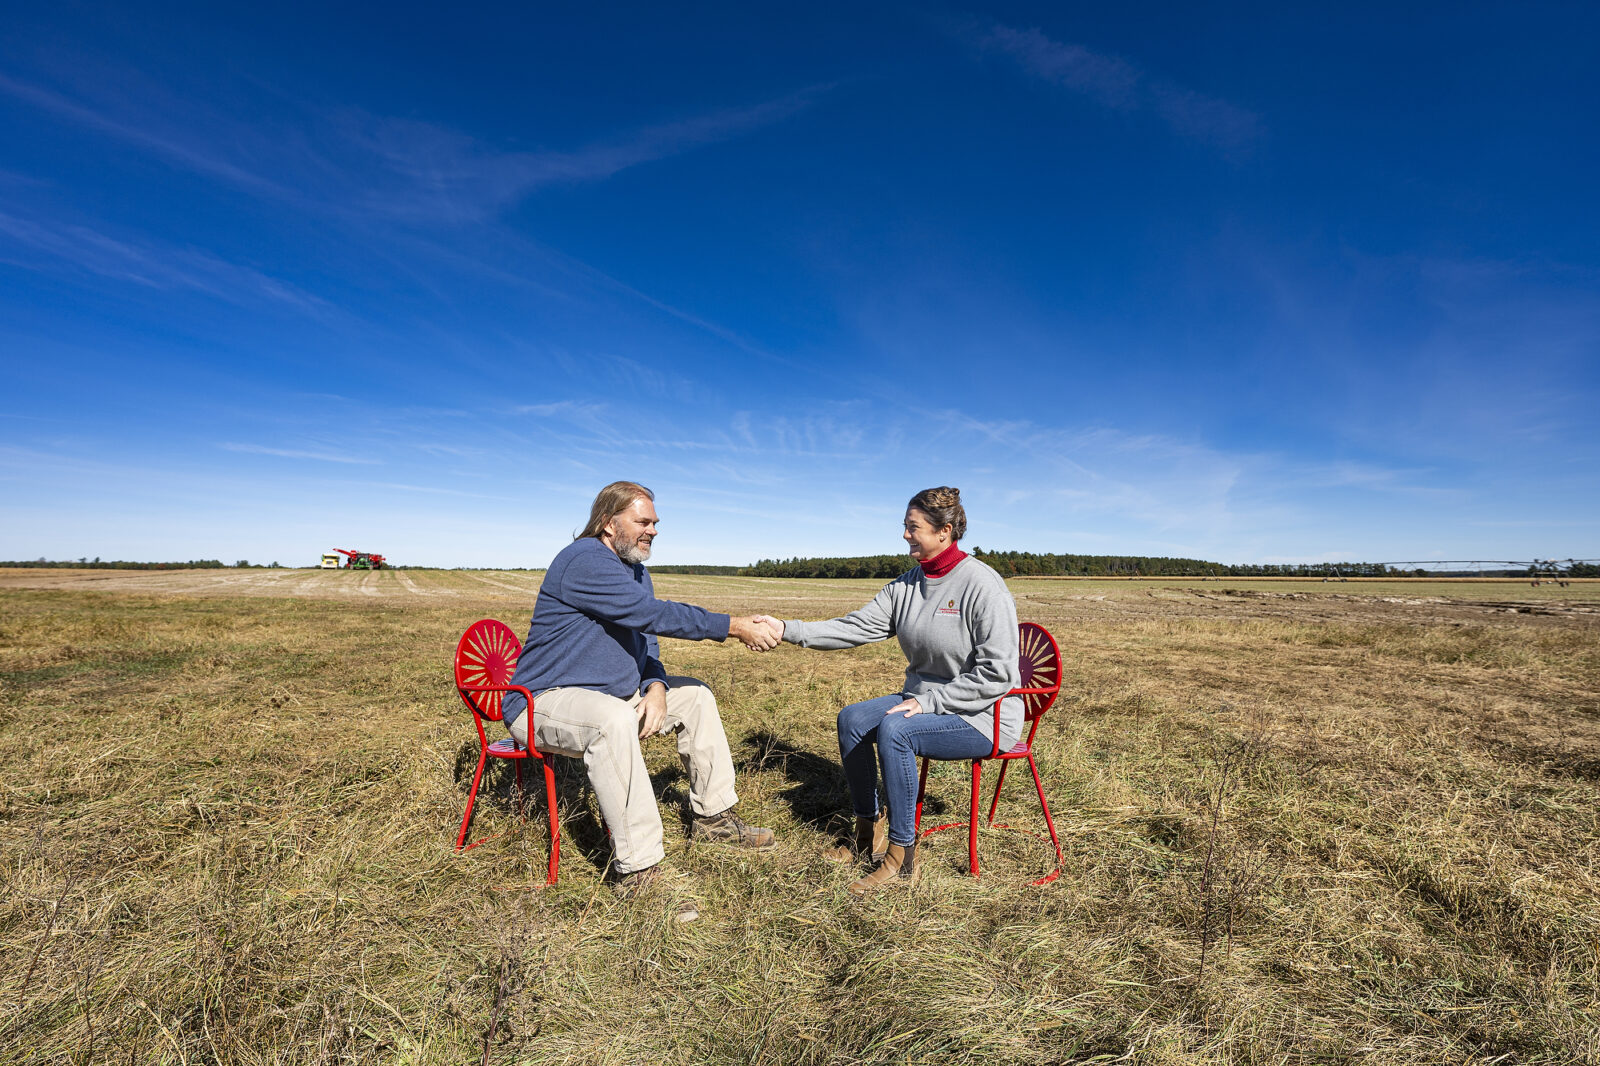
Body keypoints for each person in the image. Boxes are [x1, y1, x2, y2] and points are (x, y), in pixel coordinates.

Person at [502, 480, 780, 918]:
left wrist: (656, 686)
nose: (653, 530)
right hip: (543, 701)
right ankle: (640, 873)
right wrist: (733, 625)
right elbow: (653, 614)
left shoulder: (635, 570)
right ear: (608, 523)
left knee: (697, 697)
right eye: (643, 521)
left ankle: (714, 819)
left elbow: (645, 638)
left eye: (656, 523)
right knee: (611, 720)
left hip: (611, 695)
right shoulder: (584, 561)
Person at [754, 486, 1020, 899]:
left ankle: (901, 858)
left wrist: (931, 701)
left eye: (913, 528)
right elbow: (856, 626)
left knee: (896, 730)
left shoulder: (983, 585)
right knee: (853, 719)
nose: (905, 536)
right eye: (905, 527)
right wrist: (788, 629)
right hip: (924, 702)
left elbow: (999, 674)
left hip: (984, 714)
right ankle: (867, 832)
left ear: (944, 531)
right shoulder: (908, 584)